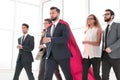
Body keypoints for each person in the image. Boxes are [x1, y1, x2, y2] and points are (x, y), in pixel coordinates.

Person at [42, 7, 72, 80]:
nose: (51, 15)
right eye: (50, 13)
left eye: (53, 13)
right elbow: (49, 42)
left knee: (68, 76)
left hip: (63, 55)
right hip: (50, 55)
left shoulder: (64, 25)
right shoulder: (49, 28)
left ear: (58, 13)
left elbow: (65, 39)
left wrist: (51, 39)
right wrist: (45, 42)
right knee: (47, 77)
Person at [102, 9, 120, 80]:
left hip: (116, 56)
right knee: (104, 77)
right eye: (104, 14)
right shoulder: (105, 29)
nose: (105, 16)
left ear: (112, 16)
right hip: (105, 56)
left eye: (107, 14)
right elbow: (104, 43)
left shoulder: (118, 25)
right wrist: (101, 56)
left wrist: (111, 48)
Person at [82, 14, 102, 80]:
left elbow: (98, 43)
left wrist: (87, 42)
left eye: (91, 18)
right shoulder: (86, 31)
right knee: (84, 74)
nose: (89, 20)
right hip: (86, 56)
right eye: (88, 19)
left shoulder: (98, 29)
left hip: (95, 55)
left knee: (96, 74)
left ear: (94, 20)